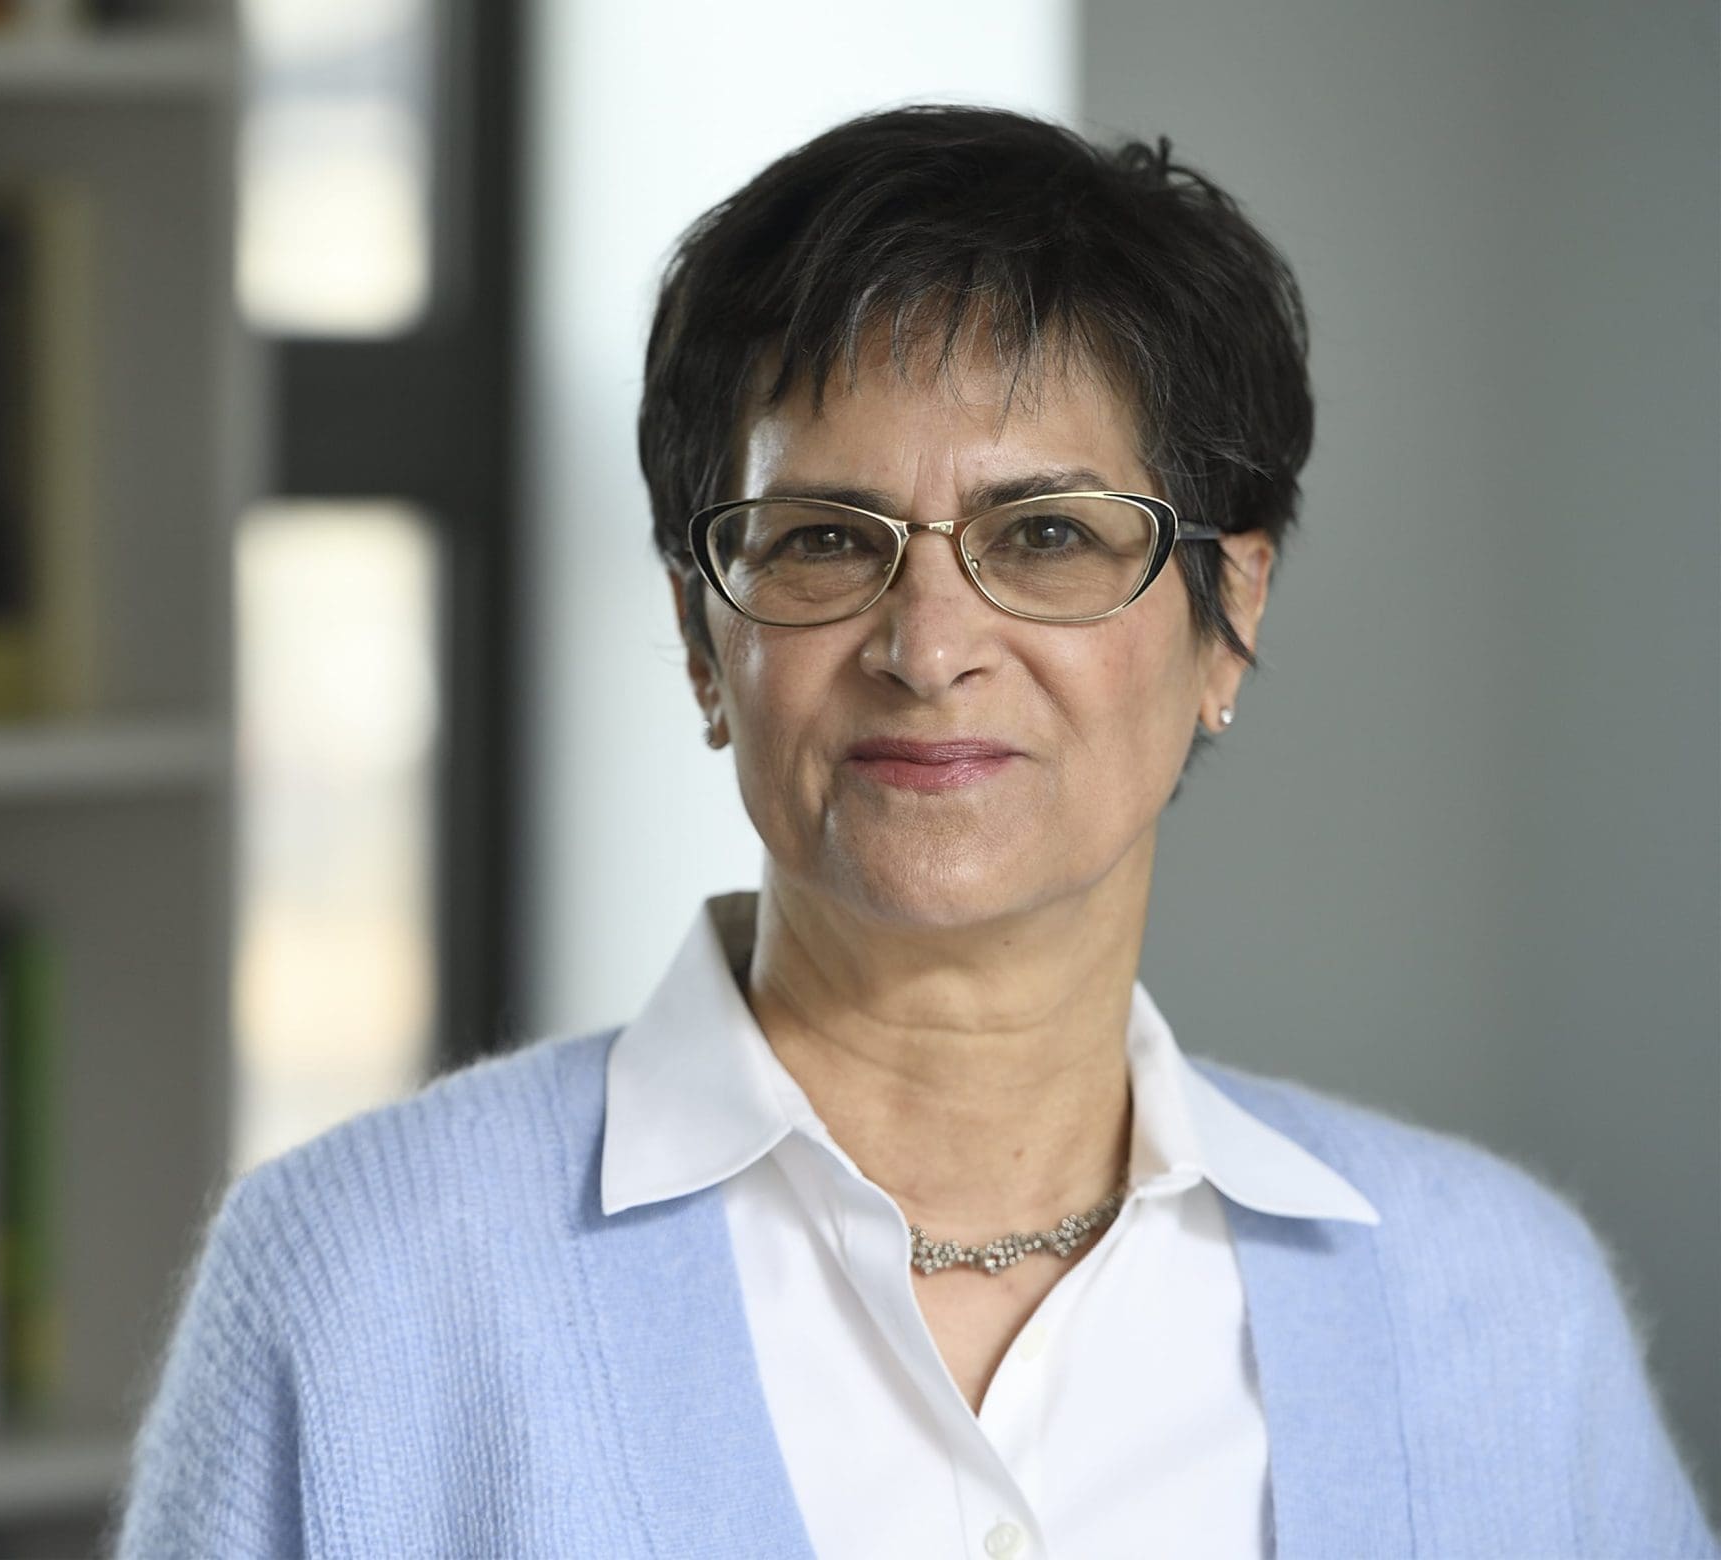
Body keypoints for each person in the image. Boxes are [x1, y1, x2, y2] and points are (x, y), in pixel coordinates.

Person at [112, 106, 1718, 1558]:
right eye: (822, 540)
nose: (929, 644)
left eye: (1047, 535)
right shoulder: (359, 1294)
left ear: (1227, 619)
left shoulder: (1506, 1310)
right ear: (700, 639)